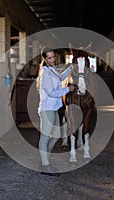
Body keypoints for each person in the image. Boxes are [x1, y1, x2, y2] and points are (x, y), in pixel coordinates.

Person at [36, 47, 74, 176]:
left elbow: (61, 77)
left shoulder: (52, 70)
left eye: (53, 57)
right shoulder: (45, 73)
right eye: (50, 58)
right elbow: (52, 93)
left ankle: (44, 160)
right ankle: (45, 165)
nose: (53, 60)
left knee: (57, 135)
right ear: (45, 59)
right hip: (47, 108)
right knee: (45, 137)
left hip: (54, 108)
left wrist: (71, 68)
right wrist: (68, 89)